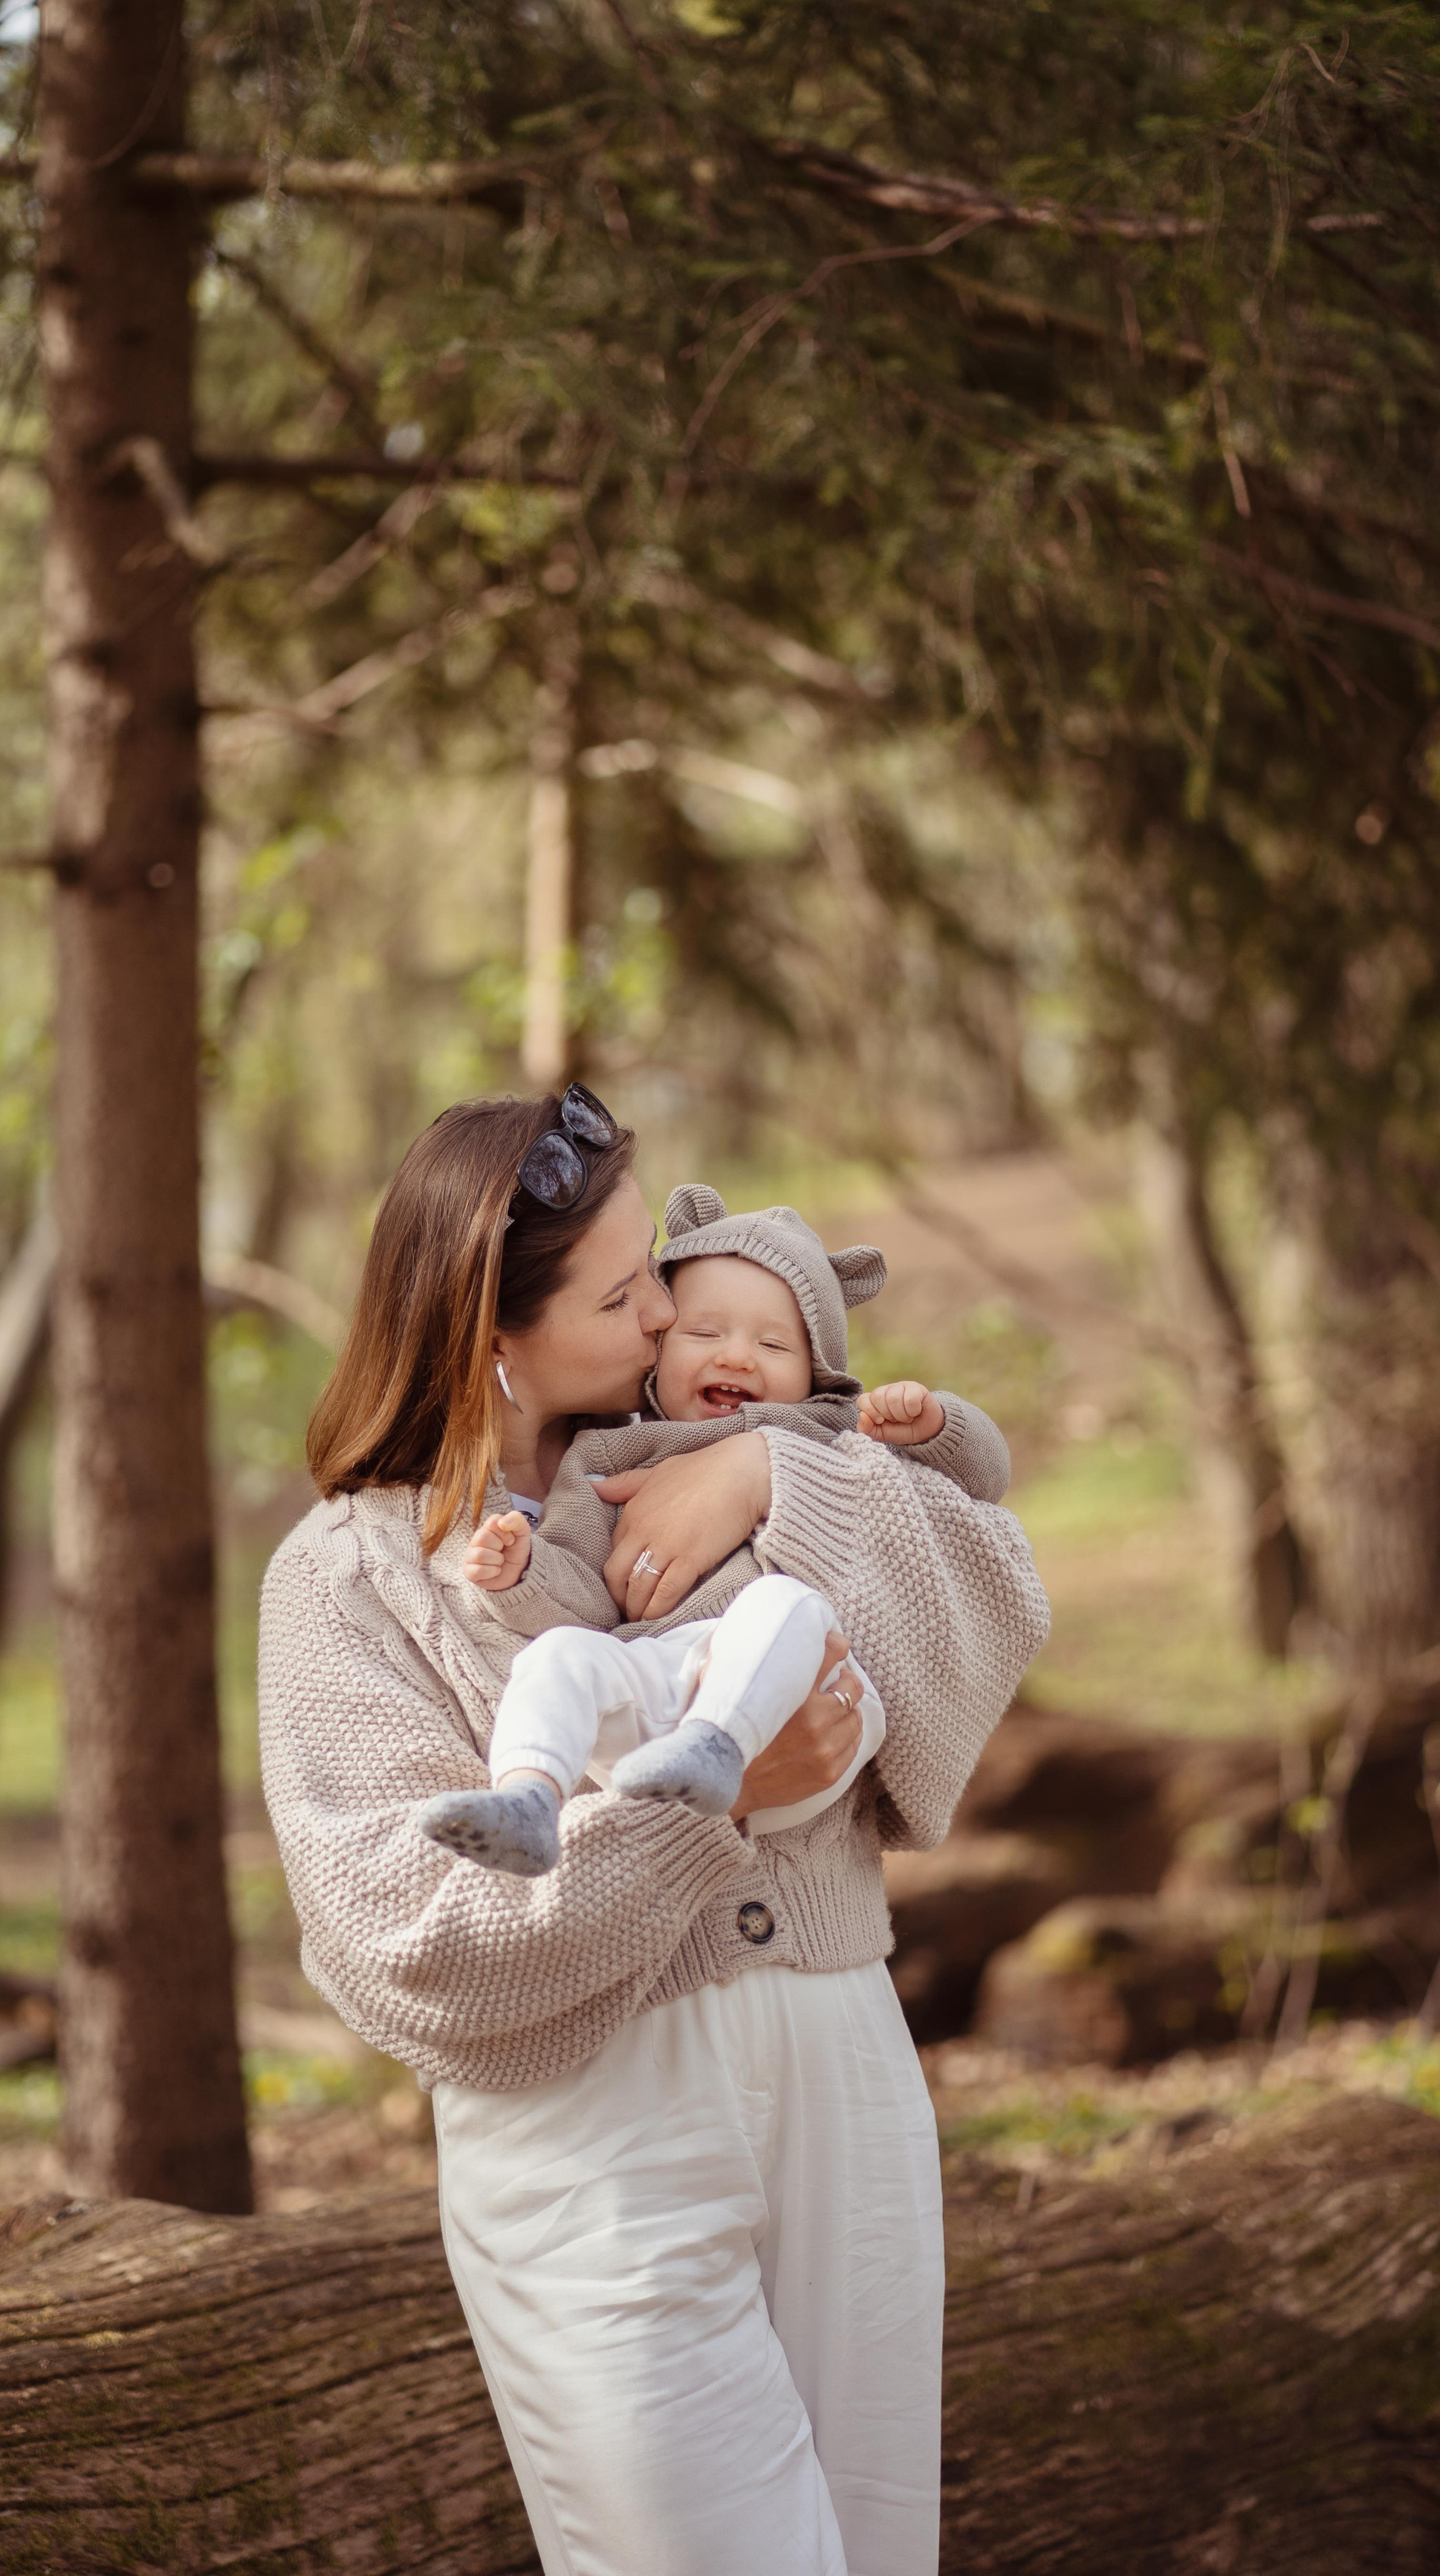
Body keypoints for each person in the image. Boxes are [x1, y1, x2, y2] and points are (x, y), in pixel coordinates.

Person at [257, 1086, 1051, 2576]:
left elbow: (992, 1583)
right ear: (493, 1330)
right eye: (625, 1296)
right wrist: (707, 1813)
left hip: (841, 2061)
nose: (671, 1318)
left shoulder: (728, 1445)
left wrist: (772, 1470)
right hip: (592, 2139)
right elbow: (404, 1943)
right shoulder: (345, 1584)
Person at [415, 1181, 1013, 1874]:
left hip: (795, 1701)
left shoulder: (825, 1432)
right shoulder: (606, 1455)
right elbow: (584, 1600)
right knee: (557, 1657)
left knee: (782, 1602)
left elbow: (982, 1481)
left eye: (773, 1344)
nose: (736, 1356)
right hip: (660, 1690)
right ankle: (527, 1798)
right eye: (704, 1333)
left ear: (817, 1375)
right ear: (659, 1351)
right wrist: (524, 1575)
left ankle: (717, 1744)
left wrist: (937, 1423)